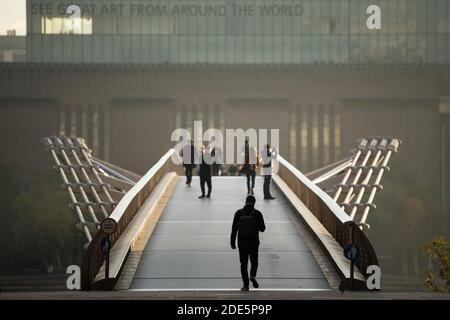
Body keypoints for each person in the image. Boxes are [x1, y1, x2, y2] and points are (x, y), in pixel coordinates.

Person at [230, 195, 266, 291]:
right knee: (254, 260)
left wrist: (232, 242)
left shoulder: (238, 213)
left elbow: (234, 229)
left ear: (245, 202)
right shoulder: (257, 213)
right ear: (254, 203)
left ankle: (246, 286)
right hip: (254, 242)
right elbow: (263, 229)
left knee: (243, 263)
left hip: (242, 242)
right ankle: (253, 275)